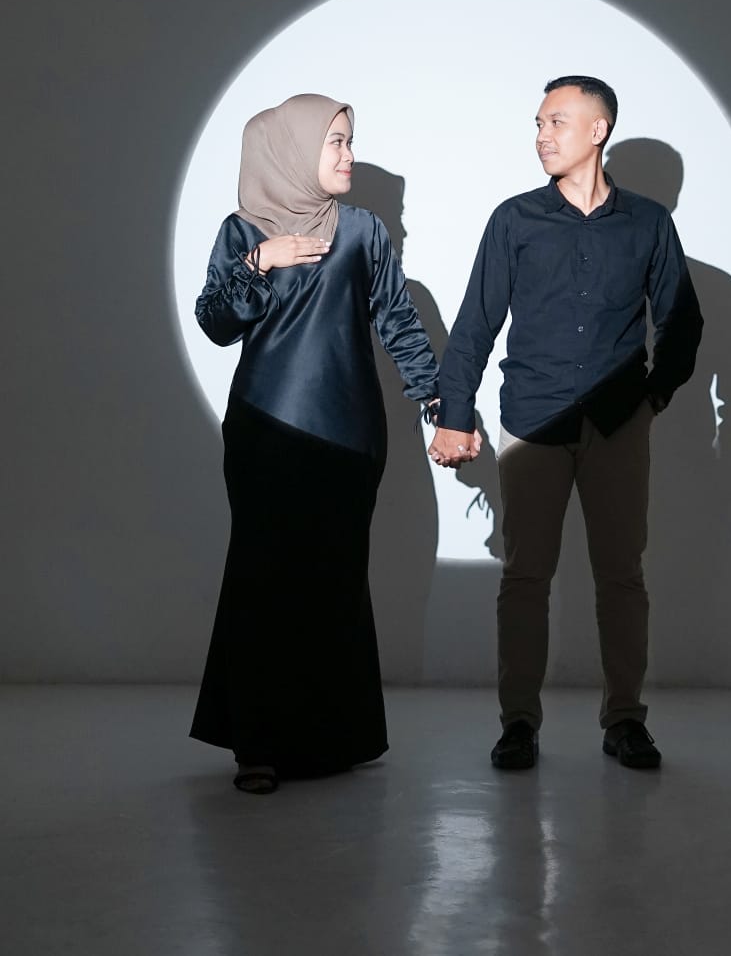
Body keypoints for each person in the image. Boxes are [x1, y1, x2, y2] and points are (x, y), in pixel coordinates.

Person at [428, 76, 703, 771]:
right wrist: (454, 415)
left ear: (598, 130)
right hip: (533, 422)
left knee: (621, 576)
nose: (542, 136)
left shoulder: (648, 224)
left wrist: (652, 399)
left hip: (617, 425)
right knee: (525, 577)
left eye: (556, 121)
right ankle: (518, 724)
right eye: (539, 124)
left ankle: (625, 721)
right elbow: (475, 325)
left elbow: (682, 321)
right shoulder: (514, 220)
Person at [190, 93, 441, 793]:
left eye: (350, 141)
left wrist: (439, 401)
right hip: (267, 429)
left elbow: (398, 321)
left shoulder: (362, 232)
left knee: (335, 579)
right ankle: (258, 745)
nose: (348, 155)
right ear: (293, 150)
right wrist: (259, 262)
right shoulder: (244, 230)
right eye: (335, 141)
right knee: (264, 580)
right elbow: (215, 321)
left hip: (352, 436)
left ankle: (330, 740)